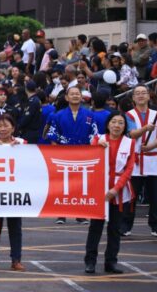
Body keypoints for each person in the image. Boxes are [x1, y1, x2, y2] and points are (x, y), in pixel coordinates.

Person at [84, 112, 136, 275]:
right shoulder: (99, 140)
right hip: (99, 189)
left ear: (124, 126)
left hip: (120, 192)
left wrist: (115, 189)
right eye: (114, 122)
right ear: (108, 124)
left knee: (115, 229)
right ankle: (90, 262)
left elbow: (129, 169)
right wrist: (97, 144)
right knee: (95, 228)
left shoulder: (130, 143)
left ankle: (111, 262)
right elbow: (88, 158)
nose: (117, 125)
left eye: (121, 123)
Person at [120, 85, 157, 238]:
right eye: (137, 93)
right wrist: (146, 129)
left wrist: (151, 145)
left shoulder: (156, 114)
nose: (140, 95)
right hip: (135, 161)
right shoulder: (129, 115)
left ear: (148, 96)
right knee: (132, 197)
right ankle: (126, 226)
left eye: (143, 93)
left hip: (152, 160)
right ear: (133, 97)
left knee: (155, 197)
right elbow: (132, 134)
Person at [47, 86, 98, 225]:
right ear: (66, 97)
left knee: (81, 185)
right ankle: (61, 214)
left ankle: (80, 214)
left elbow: (94, 136)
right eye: (72, 94)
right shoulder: (58, 115)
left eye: (77, 94)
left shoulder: (90, 115)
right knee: (62, 185)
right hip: (63, 154)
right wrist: (57, 152)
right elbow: (53, 136)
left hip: (84, 154)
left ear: (81, 97)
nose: (75, 96)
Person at [0, 114, 26, 272]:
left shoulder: (22, 143)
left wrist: (20, 149)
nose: (2, 129)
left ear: (13, 128)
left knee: (15, 227)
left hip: (15, 193)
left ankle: (16, 260)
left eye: (6, 125)